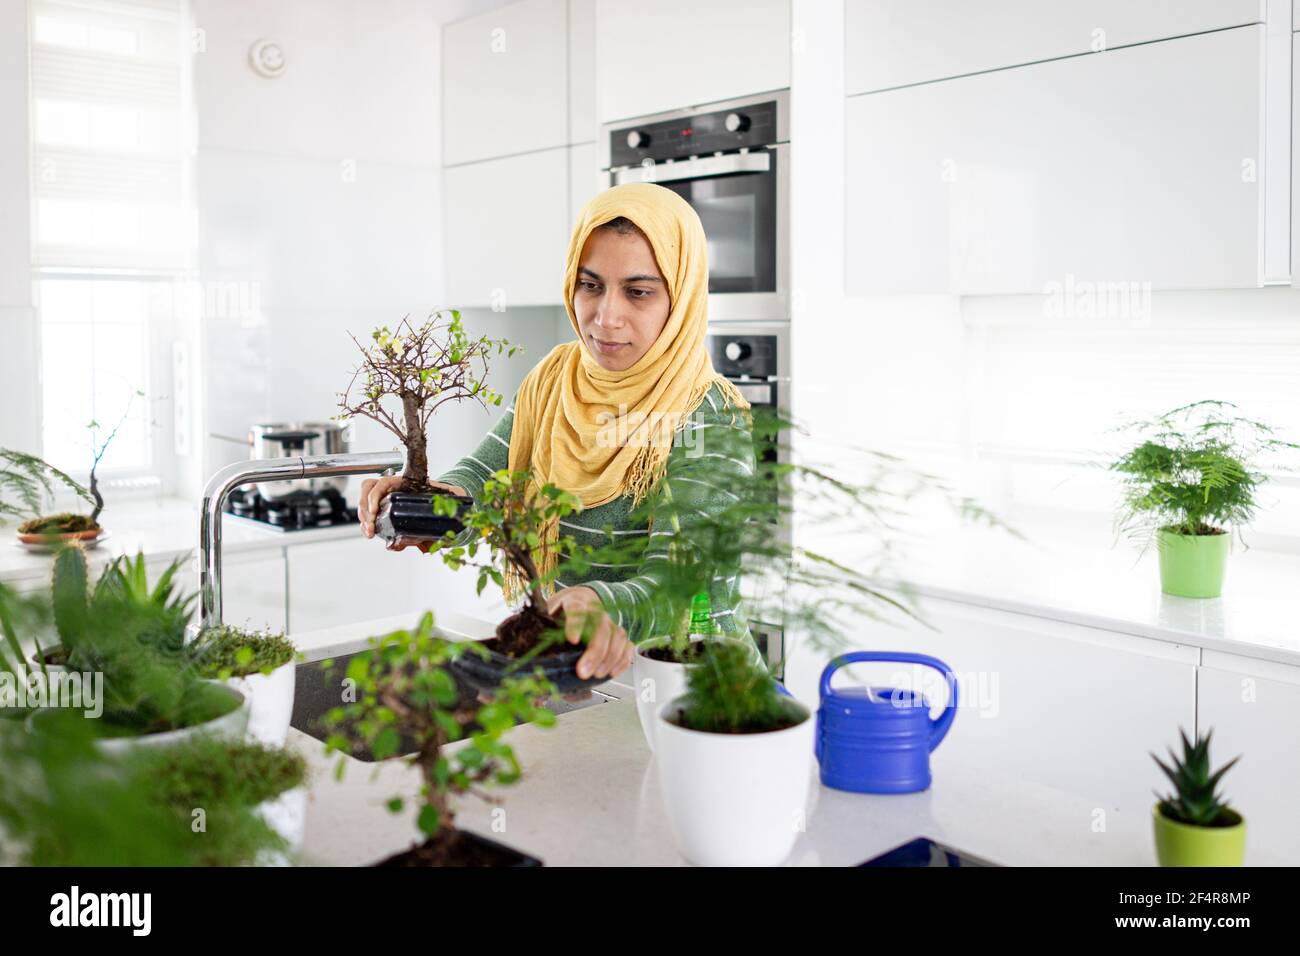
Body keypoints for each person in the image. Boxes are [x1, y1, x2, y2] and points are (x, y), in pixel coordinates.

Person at [359, 182, 755, 682]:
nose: (605, 317)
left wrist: (599, 603)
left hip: (695, 687)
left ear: (681, 297)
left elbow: (681, 579)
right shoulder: (555, 379)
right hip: (576, 669)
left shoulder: (708, 415)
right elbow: (483, 475)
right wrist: (428, 503)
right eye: (591, 285)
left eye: (638, 292)